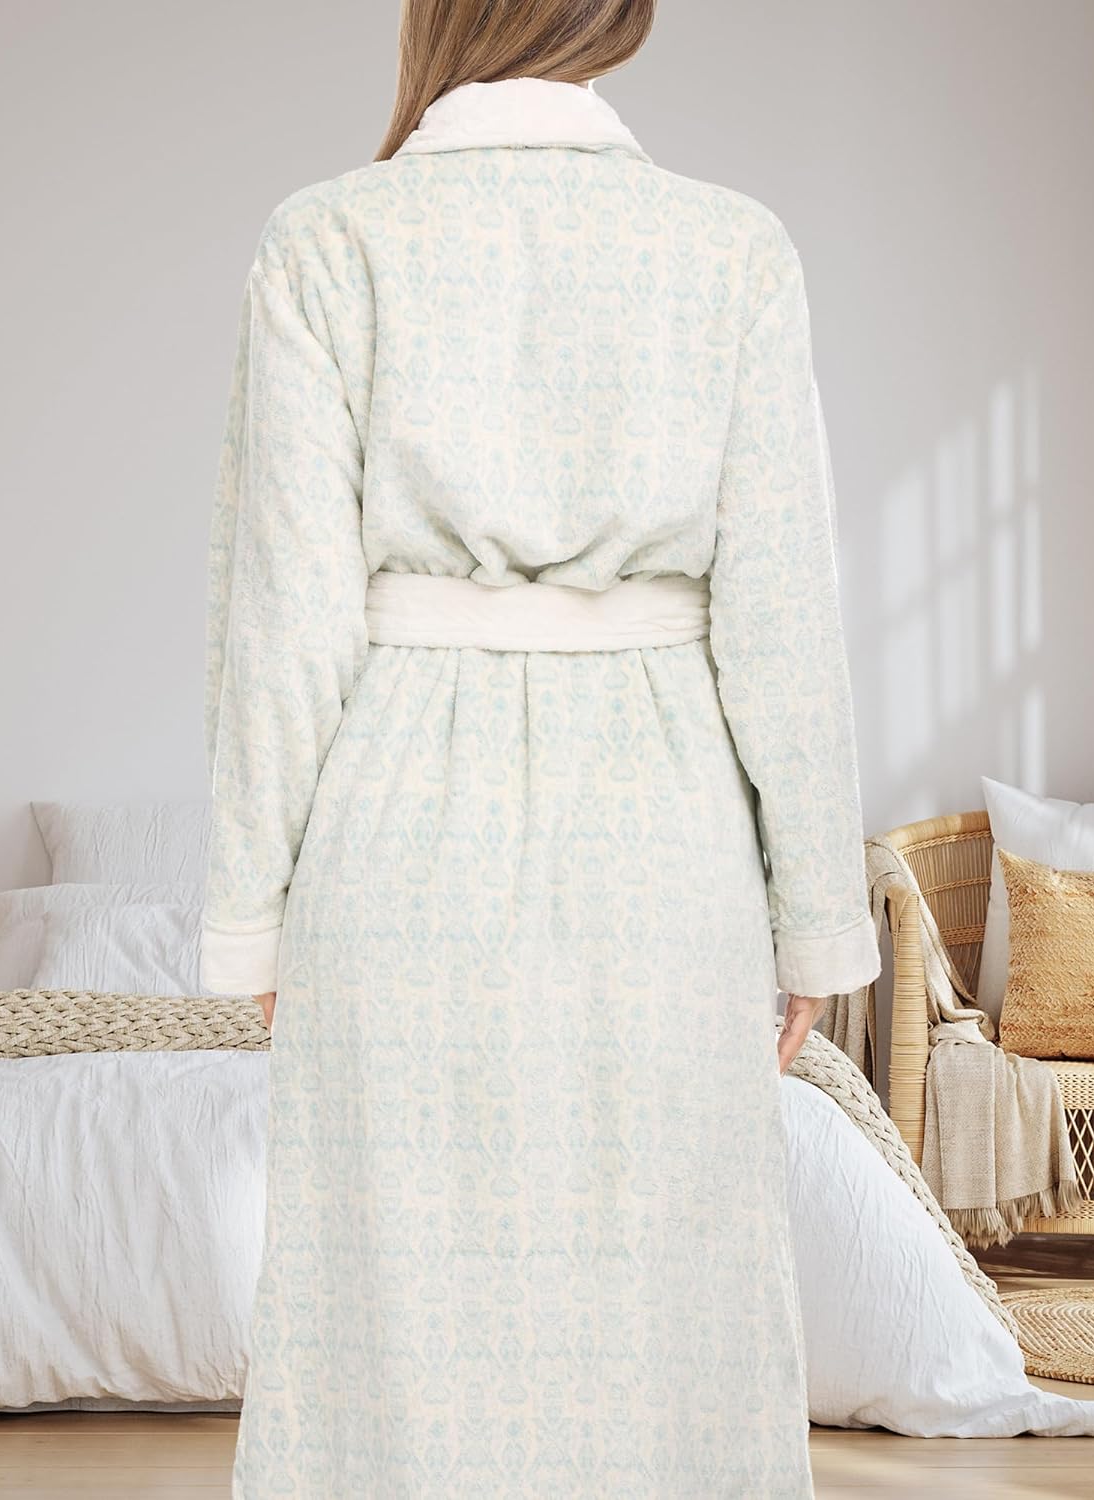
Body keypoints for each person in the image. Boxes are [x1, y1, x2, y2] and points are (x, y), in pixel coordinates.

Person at [201, 2, 880, 1494]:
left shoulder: (329, 239)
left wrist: (255, 917)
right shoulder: (731, 251)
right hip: (667, 850)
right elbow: (784, 617)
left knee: (394, 1308)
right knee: (669, 1311)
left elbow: (283, 623)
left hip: (395, 845)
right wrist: (816, 921)